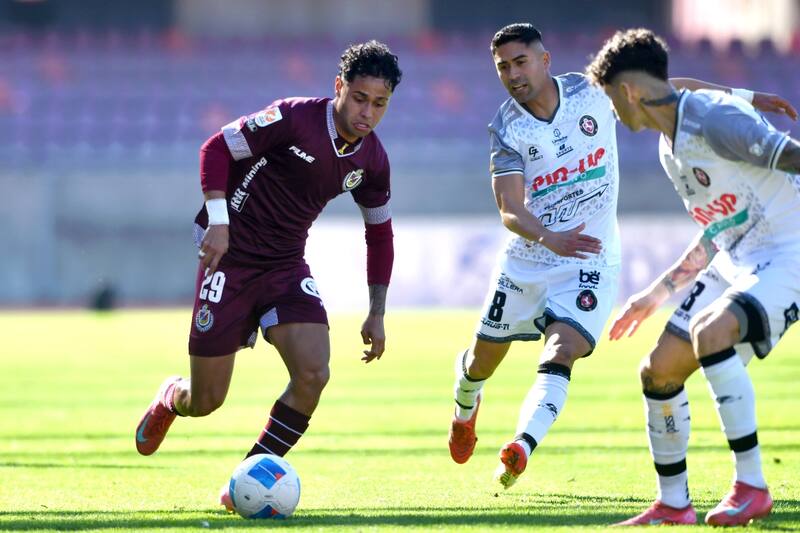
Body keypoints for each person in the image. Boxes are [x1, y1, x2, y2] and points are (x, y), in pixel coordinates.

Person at [447, 22, 796, 492]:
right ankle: (466, 403)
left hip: (591, 257)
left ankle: (522, 445)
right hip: (529, 259)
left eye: (520, 62)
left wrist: (748, 98)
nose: (512, 74)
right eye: (503, 67)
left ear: (545, 60)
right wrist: (551, 238)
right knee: (482, 363)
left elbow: (675, 92)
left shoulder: (592, 91)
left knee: (562, 350)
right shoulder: (508, 126)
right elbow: (510, 209)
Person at [134, 40, 402, 510]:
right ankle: (171, 396)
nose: (367, 113)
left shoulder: (372, 161)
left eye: (380, 104)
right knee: (207, 400)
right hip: (229, 258)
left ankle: (246, 481)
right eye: (359, 98)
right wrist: (218, 222)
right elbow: (216, 147)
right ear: (339, 87)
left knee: (314, 372)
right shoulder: (293, 118)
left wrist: (377, 312)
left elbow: (379, 235)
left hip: (285, 265)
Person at [587, 28, 800, 526]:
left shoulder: (713, 121)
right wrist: (656, 293)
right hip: (739, 255)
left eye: (612, 98)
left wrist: (746, 103)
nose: (613, 114)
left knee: (712, 332)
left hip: (790, 250)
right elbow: (719, 227)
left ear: (629, 93)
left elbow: (791, 155)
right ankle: (674, 505)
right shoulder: (671, 145)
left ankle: (751, 485)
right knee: (658, 370)